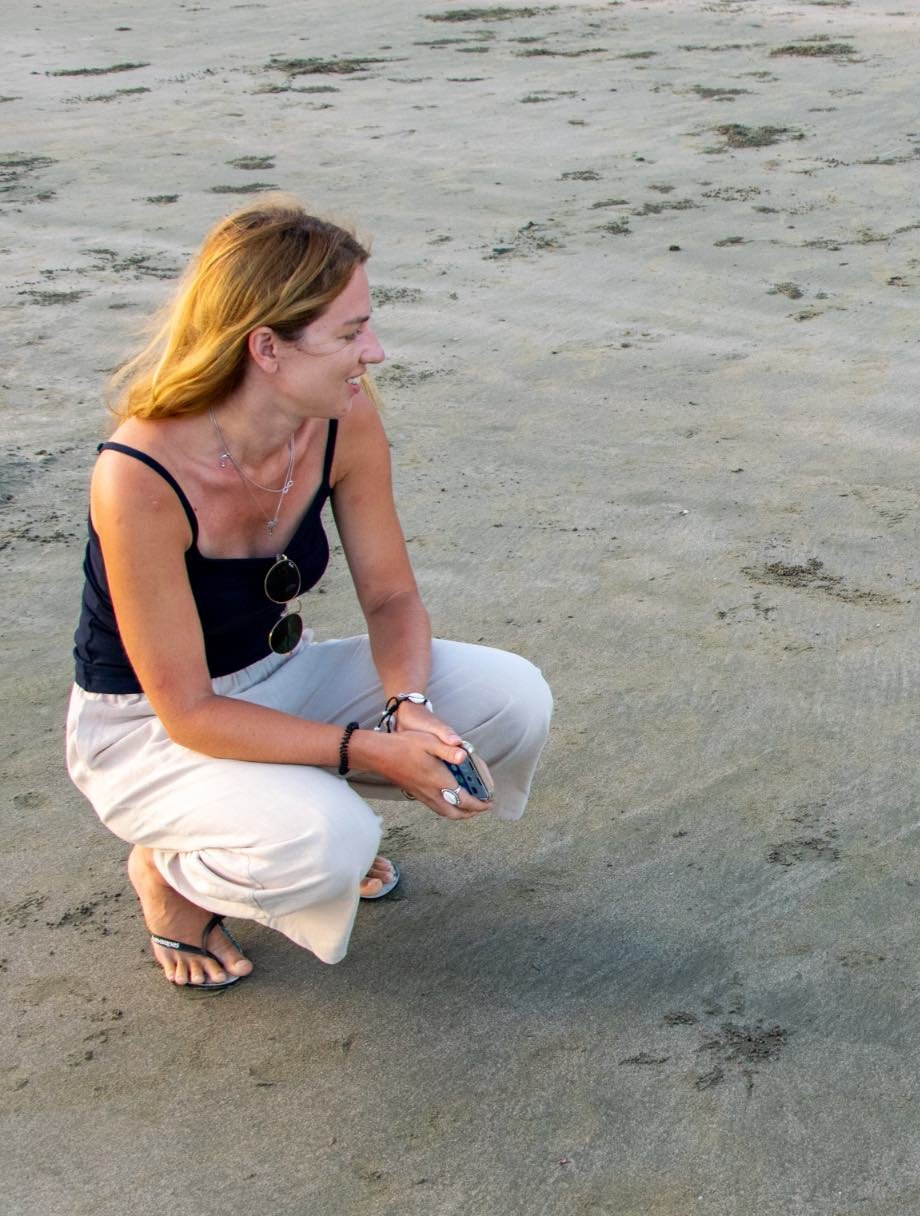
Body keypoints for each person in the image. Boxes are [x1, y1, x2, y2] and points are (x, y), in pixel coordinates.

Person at [64, 197, 554, 991]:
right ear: (266, 347)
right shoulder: (139, 474)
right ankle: (174, 873)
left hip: (272, 682)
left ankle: (282, 814)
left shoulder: (340, 418)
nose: (376, 351)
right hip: (150, 728)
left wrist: (409, 707)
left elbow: (392, 598)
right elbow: (187, 711)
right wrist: (368, 751)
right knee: (325, 843)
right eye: (350, 332)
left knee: (511, 701)